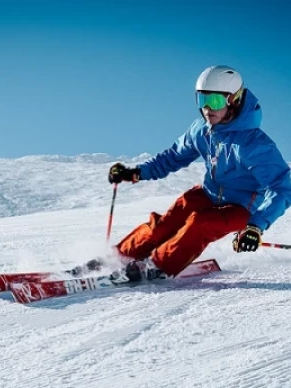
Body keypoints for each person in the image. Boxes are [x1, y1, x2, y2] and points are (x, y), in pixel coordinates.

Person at [107, 65, 291, 282]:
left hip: (242, 208)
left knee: (200, 223)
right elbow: (173, 157)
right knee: (168, 221)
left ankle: (157, 266)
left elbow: (281, 187)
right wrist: (136, 172)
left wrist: (255, 227)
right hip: (208, 193)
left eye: (214, 101)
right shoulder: (201, 130)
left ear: (234, 100)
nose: (206, 109)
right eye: (201, 100)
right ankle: (119, 256)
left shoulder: (254, 144)